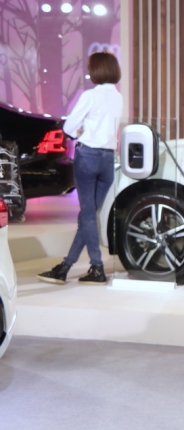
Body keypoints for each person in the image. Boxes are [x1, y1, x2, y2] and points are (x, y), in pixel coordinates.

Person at [37, 52, 124, 286]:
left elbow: (68, 128)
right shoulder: (118, 98)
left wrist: (79, 131)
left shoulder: (90, 96)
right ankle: (65, 267)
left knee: (87, 214)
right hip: (108, 159)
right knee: (88, 216)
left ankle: (97, 267)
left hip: (88, 157)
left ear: (97, 70)